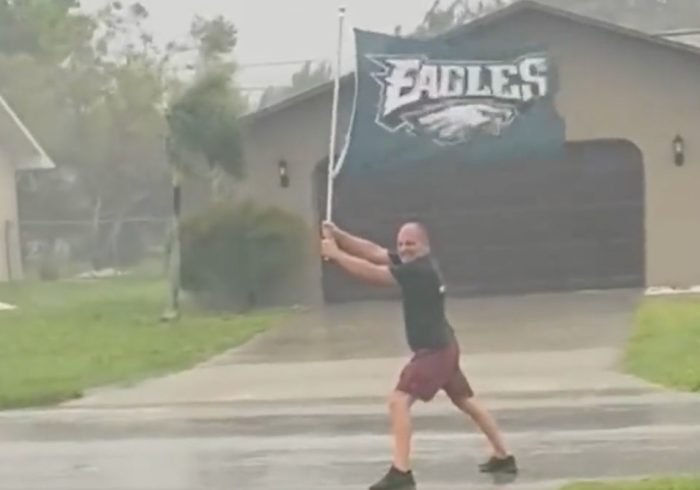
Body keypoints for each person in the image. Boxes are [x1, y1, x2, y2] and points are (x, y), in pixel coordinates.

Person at [320, 220, 517, 490]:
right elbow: (374, 252)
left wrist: (337, 254)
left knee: (398, 401)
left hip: (434, 352)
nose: (404, 248)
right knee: (465, 401)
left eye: (410, 243)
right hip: (445, 346)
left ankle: (401, 473)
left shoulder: (419, 271)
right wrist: (339, 235)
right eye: (400, 244)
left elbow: (374, 273)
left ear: (424, 245)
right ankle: (504, 457)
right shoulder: (412, 265)